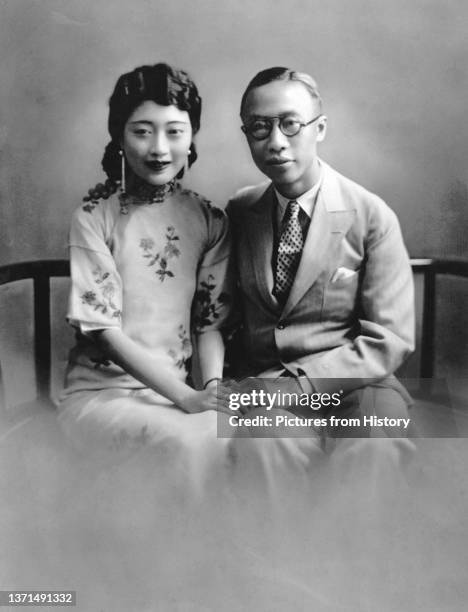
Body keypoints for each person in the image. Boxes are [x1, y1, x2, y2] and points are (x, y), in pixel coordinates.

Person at [57, 63, 233, 468]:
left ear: (191, 139)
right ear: (120, 136)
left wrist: (211, 391)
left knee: (231, 438)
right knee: (187, 445)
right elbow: (103, 331)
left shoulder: (209, 219)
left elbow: (209, 324)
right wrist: (187, 398)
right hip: (101, 396)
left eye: (174, 131)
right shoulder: (93, 216)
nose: (159, 149)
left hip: (176, 396)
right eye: (142, 130)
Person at [227, 67, 415, 440]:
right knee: (265, 445)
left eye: (291, 124)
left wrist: (302, 386)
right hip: (266, 389)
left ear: (321, 128)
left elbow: (391, 339)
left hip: (359, 385)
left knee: (375, 442)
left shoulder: (370, 214)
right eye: (260, 127)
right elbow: (222, 316)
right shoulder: (240, 211)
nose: (276, 142)